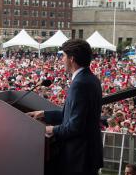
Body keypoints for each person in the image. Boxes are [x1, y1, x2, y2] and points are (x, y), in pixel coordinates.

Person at [28, 39, 103, 175]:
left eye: (63, 56)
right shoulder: (92, 79)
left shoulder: (79, 84)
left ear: (71, 59)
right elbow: (71, 114)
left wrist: (47, 129)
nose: (61, 60)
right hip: (89, 154)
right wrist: (43, 113)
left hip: (79, 157)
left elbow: (74, 127)